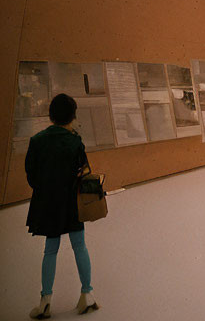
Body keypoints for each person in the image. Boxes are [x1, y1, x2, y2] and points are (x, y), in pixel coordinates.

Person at [25, 93, 99, 318]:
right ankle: (88, 295)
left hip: (48, 204)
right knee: (80, 246)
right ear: (72, 116)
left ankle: (45, 300)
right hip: (71, 203)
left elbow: (31, 175)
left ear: (51, 116)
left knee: (50, 249)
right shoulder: (75, 141)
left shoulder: (37, 141)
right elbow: (83, 171)